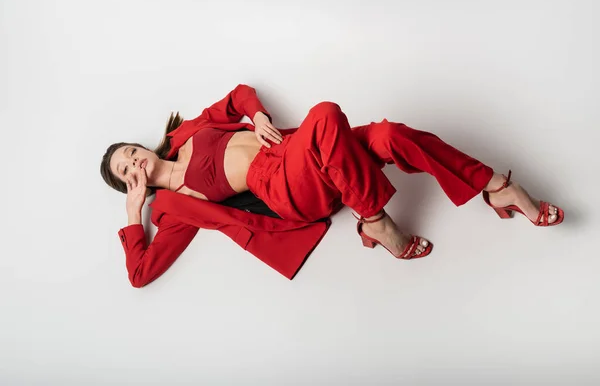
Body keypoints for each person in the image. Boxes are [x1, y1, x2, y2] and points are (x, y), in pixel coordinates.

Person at [100, 84, 564, 288]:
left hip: (295, 146)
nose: (134, 161)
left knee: (391, 135)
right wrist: (133, 214)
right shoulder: (170, 208)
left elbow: (237, 95)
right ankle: (378, 221)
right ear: (130, 184)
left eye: (129, 151)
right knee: (325, 113)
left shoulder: (185, 135)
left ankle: (494, 186)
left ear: (140, 145)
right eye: (126, 170)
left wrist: (257, 115)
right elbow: (139, 274)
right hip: (283, 188)